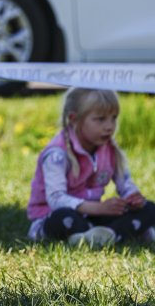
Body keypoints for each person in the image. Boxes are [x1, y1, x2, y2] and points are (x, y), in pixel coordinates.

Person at [27, 88, 155, 248]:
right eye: (100, 119)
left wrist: (133, 198)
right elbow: (56, 199)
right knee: (64, 218)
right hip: (55, 215)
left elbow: (125, 183)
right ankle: (121, 233)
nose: (109, 126)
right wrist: (99, 208)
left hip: (94, 215)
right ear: (74, 119)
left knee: (150, 208)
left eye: (113, 118)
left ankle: (104, 235)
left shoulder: (109, 149)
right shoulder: (57, 154)